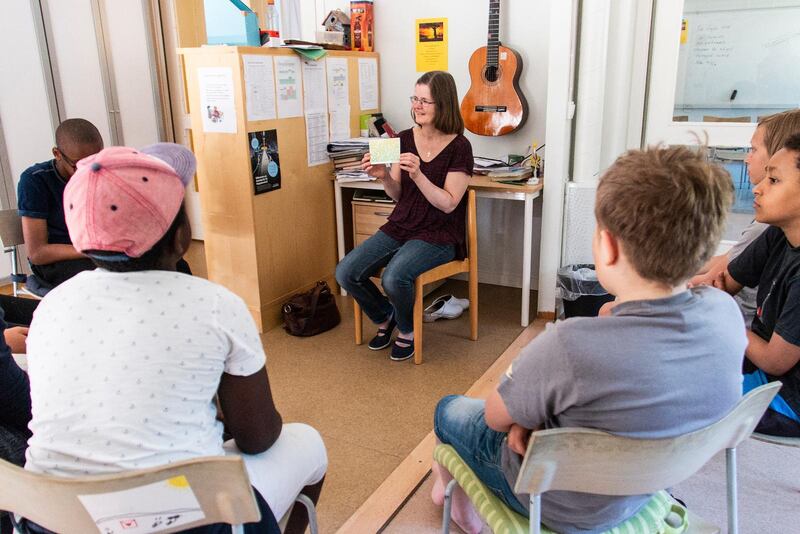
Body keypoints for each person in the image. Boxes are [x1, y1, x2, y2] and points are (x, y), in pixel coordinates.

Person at [431, 146, 745, 534]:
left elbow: (497, 417)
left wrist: (531, 426)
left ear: (608, 246)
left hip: (555, 502)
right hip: (644, 488)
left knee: (449, 410)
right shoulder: (725, 314)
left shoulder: (570, 346)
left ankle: (459, 503)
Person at [24, 145, 327, 533]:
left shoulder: (52, 306)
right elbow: (258, 437)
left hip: (53, 519)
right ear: (182, 236)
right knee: (308, 443)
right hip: (185, 521)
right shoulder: (216, 305)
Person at [335, 71, 474, 361]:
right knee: (346, 272)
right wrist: (383, 175)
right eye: (415, 99)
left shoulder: (460, 146)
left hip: (439, 233)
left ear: (444, 104)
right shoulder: (401, 138)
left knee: (395, 277)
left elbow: (448, 204)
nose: (417, 106)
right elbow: (398, 195)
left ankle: (407, 331)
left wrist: (420, 174)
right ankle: (386, 317)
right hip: (401, 225)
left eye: (425, 101)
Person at [711, 133, 800, 438]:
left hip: (786, 399)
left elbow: (775, 361)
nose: (759, 188)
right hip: (755, 363)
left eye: (774, 181)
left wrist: (726, 316)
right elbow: (722, 284)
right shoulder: (778, 234)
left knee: (676, 385)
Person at [691, 109, 800, 324]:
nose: (747, 159)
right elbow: (722, 271)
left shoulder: (767, 226)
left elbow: (775, 359)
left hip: (737, 322)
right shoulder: (772, 231)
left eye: (753, 150)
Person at [18, 118, 104, 288]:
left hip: (97, 250)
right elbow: (37, 253)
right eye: (78, 165)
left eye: (95, 161)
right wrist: (92, 250)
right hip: (59, 260)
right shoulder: (35, 180)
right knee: (100, 281)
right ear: (57, 154)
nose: (88, 171)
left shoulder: (102, 171)